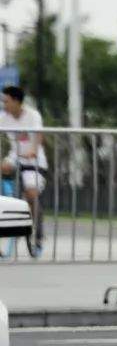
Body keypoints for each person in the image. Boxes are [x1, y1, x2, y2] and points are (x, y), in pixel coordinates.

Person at [0, 86, 48, 255]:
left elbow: (38, 135)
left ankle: (38, 237)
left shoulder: (32, 115)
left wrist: (33, 150)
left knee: (31, 193)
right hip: (15, 156)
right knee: (3, 166)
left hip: (34, 160)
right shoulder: (4, 118)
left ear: (16, 101)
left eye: (6, 101)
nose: (4, 105)